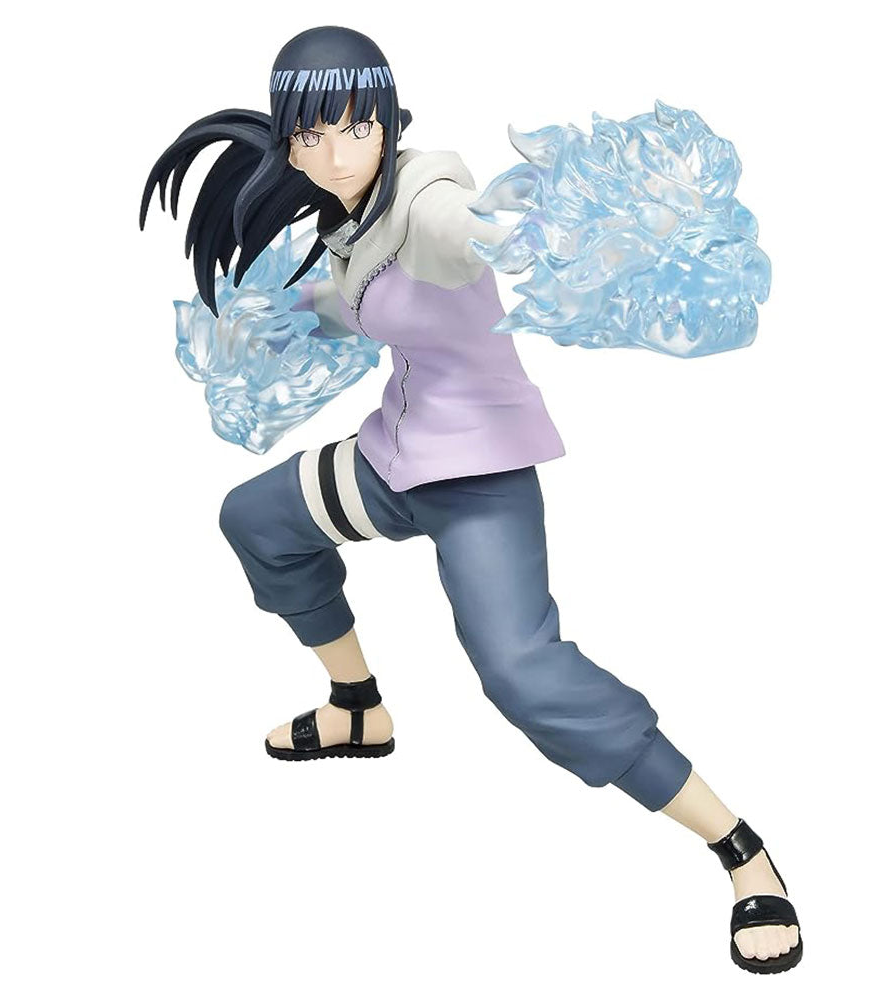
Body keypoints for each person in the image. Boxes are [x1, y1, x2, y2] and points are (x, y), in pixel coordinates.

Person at [140, 25, 802, 975]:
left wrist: (540, 231)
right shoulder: (350, 219)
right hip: (396, 463)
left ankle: (739, 850)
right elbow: (366, 302)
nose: (338, 151)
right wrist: (286, 315)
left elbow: (463, 234)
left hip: (481, 479)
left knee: (525, 675)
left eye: (357, 126)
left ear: (387, 121)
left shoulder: (425, 197)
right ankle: (358, 707)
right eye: (314, 134)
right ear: (291, 145)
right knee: (256, 520)